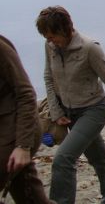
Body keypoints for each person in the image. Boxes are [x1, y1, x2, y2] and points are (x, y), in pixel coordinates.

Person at [36, 6, 105, 204]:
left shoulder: (89, 48)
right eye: (46, 37)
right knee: (99, 159)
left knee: (63, 159)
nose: (49, 41)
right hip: (68, 112)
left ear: (64, 29)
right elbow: (48, 78)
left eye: (52, 36)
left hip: (94, 110)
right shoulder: (50, 46)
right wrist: (55, 110)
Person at [0, 34, 52, 203]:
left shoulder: (1, 48)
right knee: (29, 195)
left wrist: (23, 146)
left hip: (18, 129)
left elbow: (26, 95)